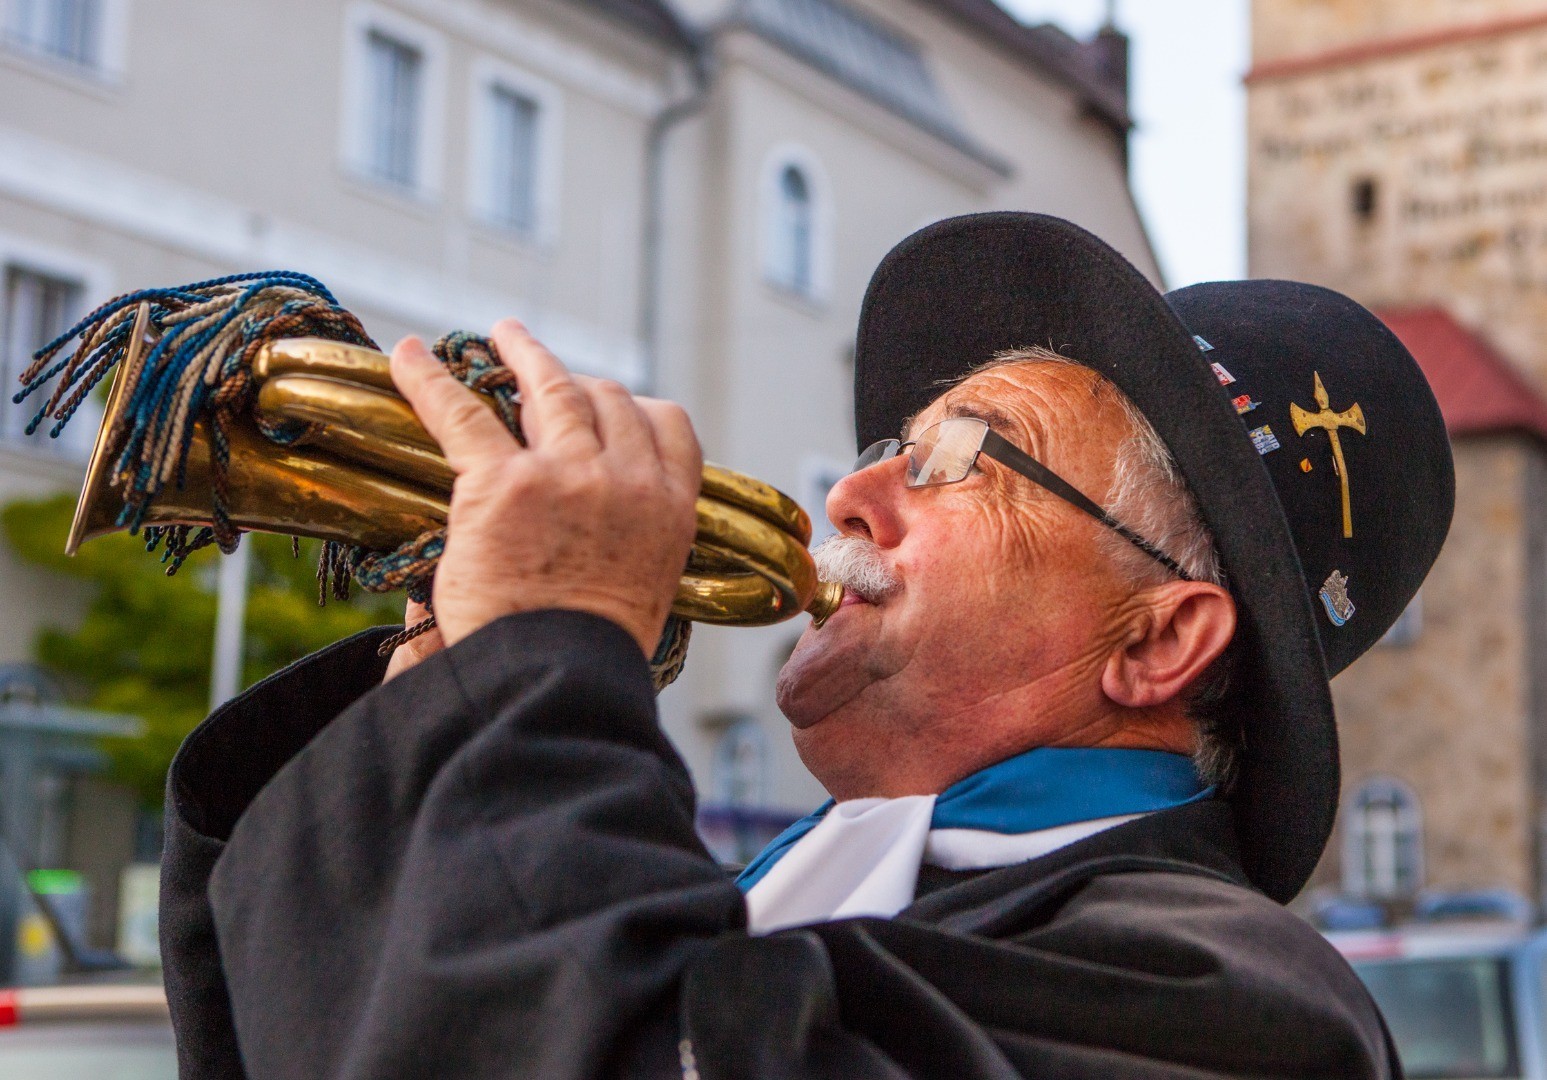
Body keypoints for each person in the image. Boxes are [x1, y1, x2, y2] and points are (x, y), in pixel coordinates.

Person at [160, 213, 1452, 1078]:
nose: (850, 495)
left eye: (959, 462)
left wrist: (536, 677)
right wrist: (435, 719)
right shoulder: (783, 879)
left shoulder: (1245, 1011)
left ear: (1159, 641)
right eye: (891, 446)